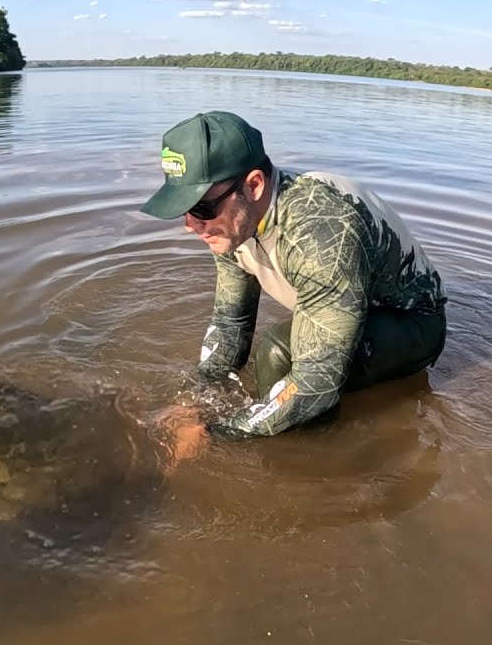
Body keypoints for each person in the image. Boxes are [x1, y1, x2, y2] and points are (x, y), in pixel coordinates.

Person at [140, 110, 448, 455]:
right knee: (281, 356)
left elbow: (315, 384)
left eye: (201, 207)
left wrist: (214, 433)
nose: (191, 225)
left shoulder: (322, 231)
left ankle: (317, 461)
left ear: (253, 185)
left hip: (410, 322)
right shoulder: (231, 223)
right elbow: (231, 323)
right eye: (184, 208)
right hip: (348, 308)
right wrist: (191, 404)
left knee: (277, 354)